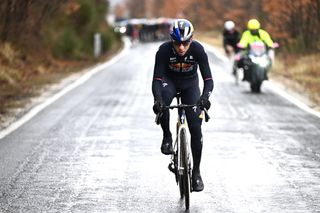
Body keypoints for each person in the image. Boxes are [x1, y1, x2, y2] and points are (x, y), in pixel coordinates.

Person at [152, 19, 213, 192]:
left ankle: (196, 173)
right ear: (172, 40)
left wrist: (205, 98)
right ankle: (167, 136)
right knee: (163, 102)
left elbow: (208, 80)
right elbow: (156, 80)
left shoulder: (198, 50)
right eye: (177, 43)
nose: (181, 47)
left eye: (185, 43)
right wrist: (158, 101)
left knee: (196, 127)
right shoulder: (163, 51)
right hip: (169, 82)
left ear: (191, 40)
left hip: (190, 85)